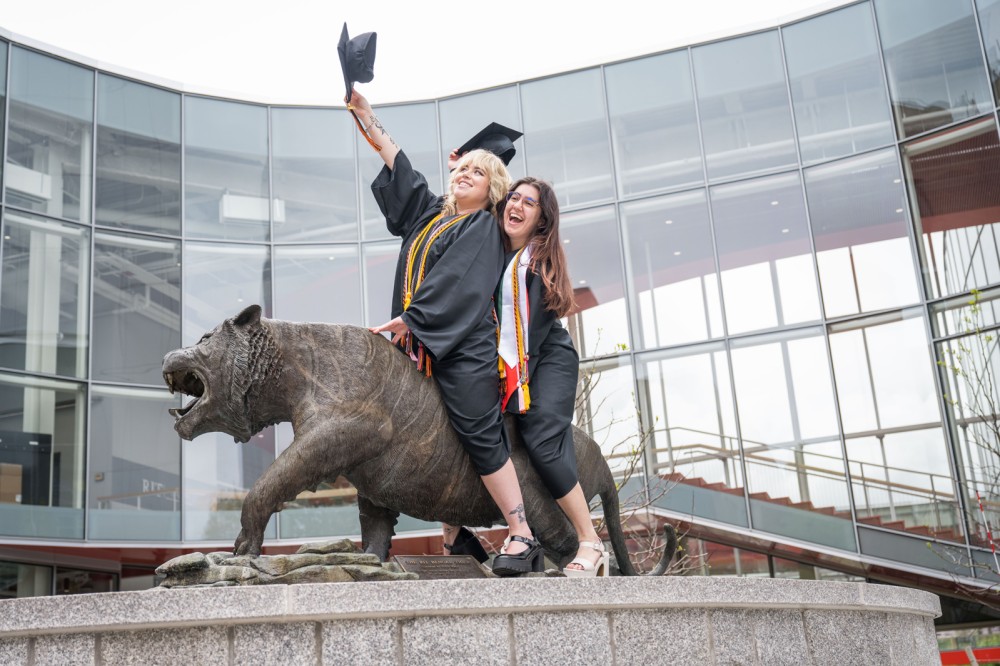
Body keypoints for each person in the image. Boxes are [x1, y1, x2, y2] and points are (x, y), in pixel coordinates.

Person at [348, 89, 543, 576]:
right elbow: (402, 171)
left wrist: (414, 321)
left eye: (477, 172)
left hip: (463, 350)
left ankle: (521, 532)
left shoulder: (482, 227)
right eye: (460, 169)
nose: (463, 176)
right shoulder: (431, 216)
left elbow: (458, 281)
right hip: (417, 341)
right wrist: (368, 119)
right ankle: (454, 531)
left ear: (493, 188)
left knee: (476, 431)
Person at [493, 175, 610, 577]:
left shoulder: (537, 260)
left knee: (541, 437)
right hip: (514, 360)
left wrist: (510, 373)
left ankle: (590, 541)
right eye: (514, 197)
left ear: (542, 220)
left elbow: (531, 330)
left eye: (530, 203)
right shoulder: (490, 252)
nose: (518, 206)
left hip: (547, 359)